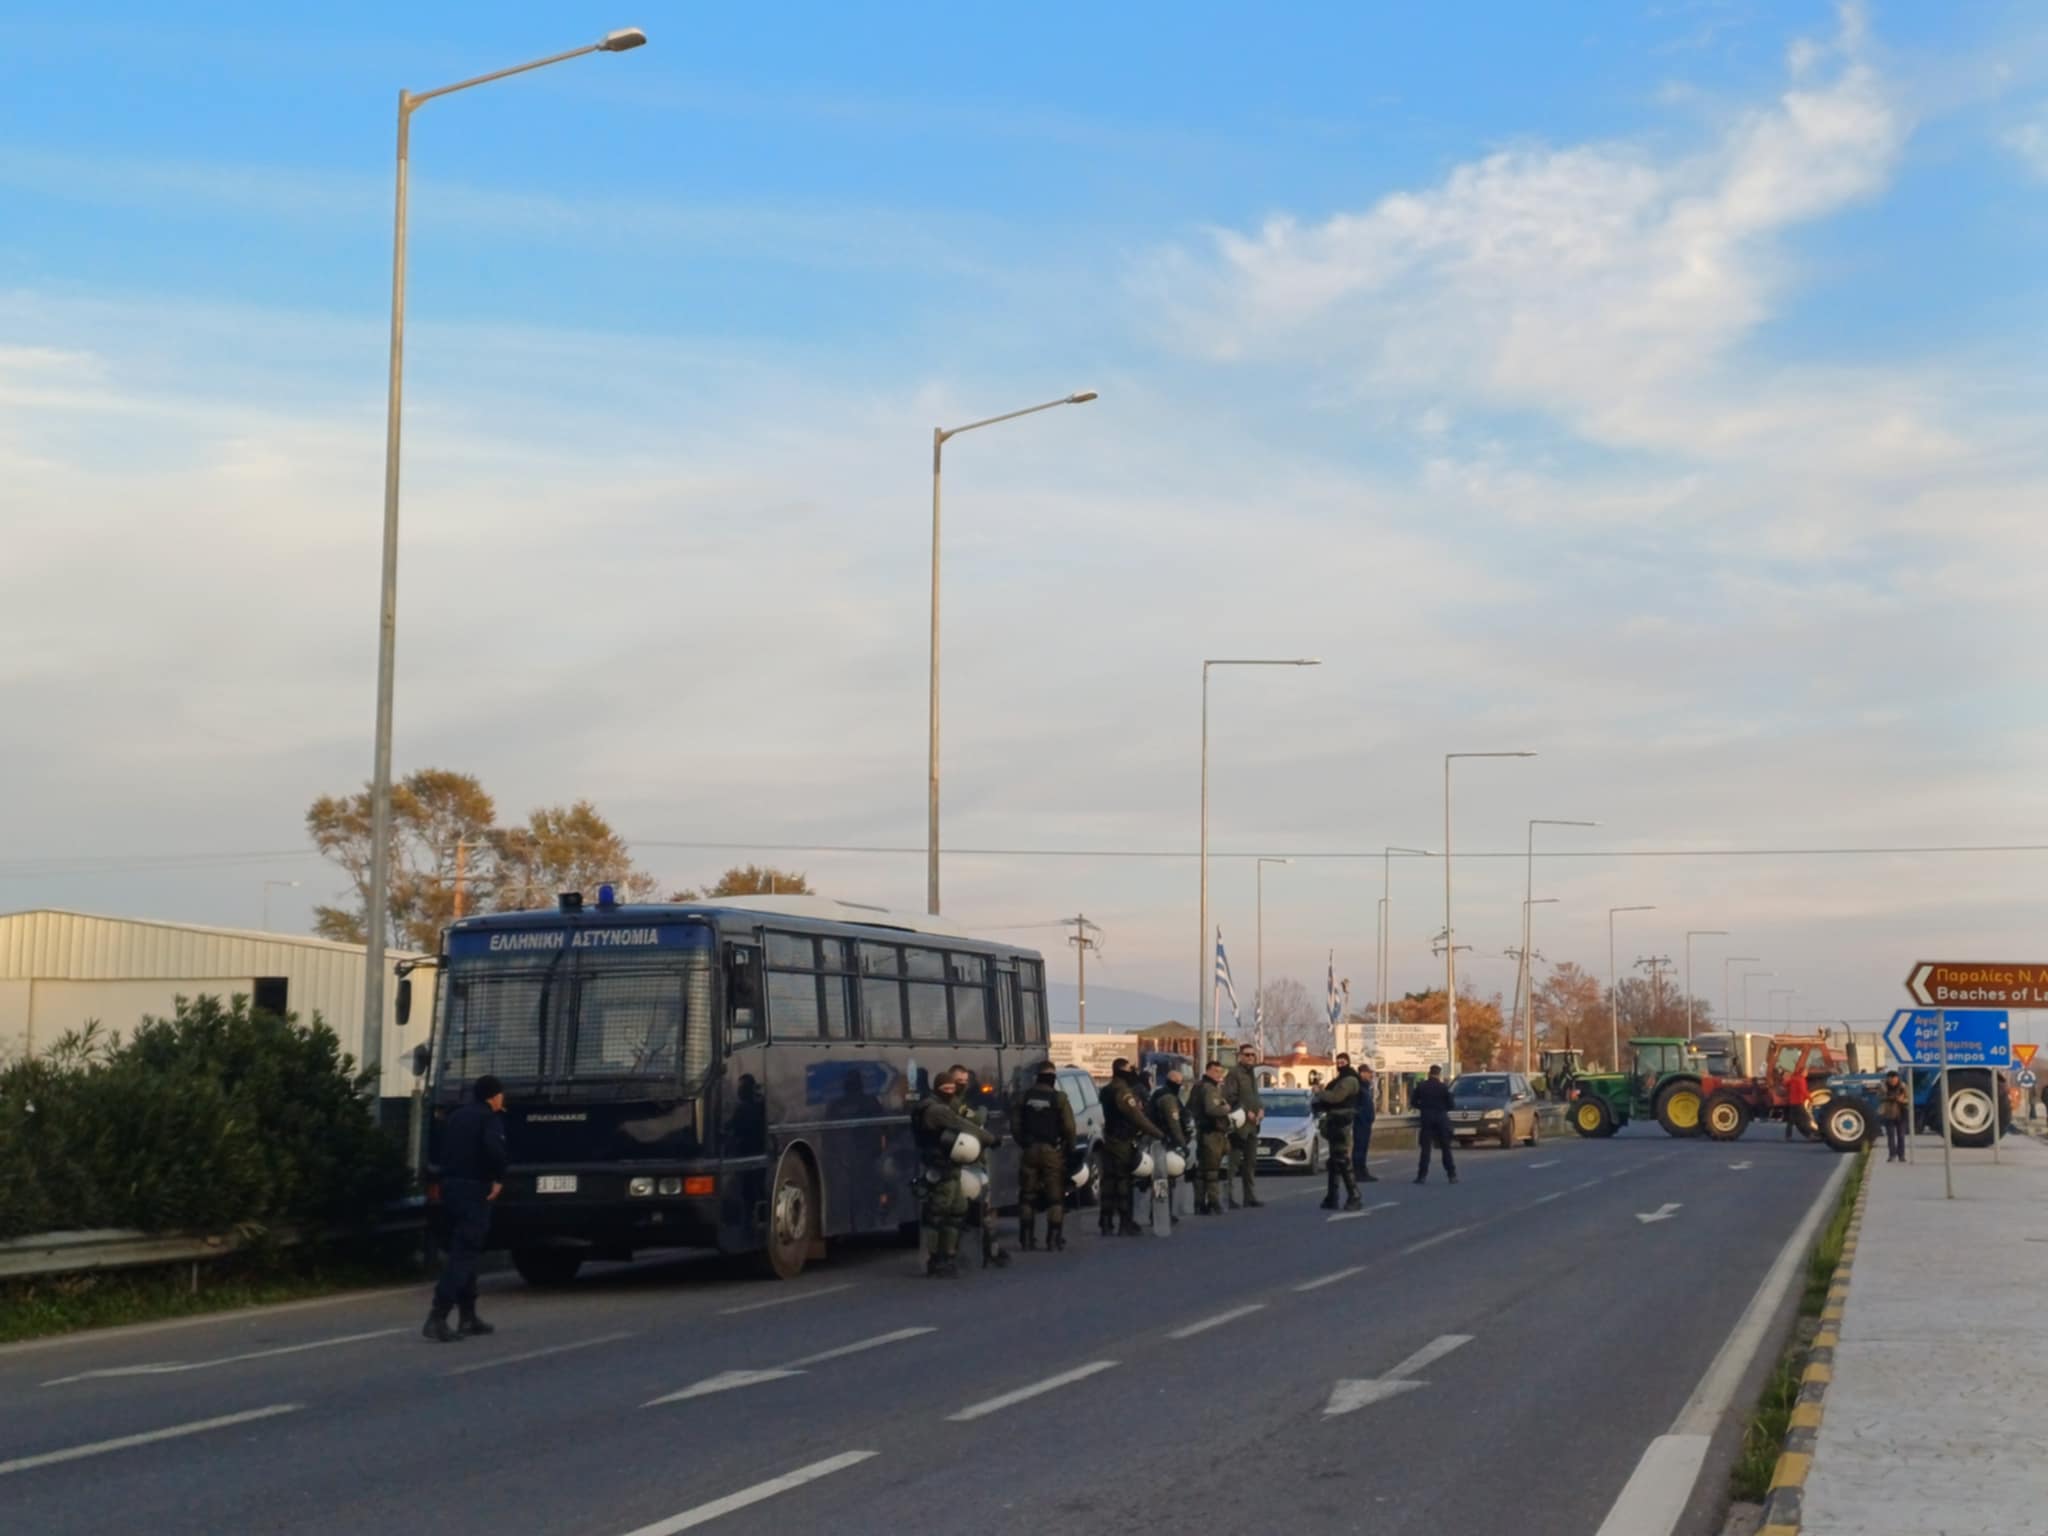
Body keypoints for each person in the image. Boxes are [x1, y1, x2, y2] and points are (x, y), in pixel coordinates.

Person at [425, 1074, 508, 1343]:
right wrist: (498, 1179)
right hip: (475, 1190)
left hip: (450, 1189)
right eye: (500, 1095)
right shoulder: (489, 1119)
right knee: (464, 1253)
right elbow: (494, 1151)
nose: (502, 1099)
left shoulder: (457, 1116)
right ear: (493, 1096)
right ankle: (438, 1316)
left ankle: (468, 1316)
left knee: (464, 1249)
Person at [912, 1065, 999, 1278]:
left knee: (957, 1209)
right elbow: (964, 1125)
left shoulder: (935, 1105)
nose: (952, 1091)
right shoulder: (937, 1110)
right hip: (940, 1167)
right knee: (938, 1214)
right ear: (939, 1088)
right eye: (948, 1088)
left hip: (949, 1167)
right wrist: (990, 1139)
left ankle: (948, 1256)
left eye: (954, 1087)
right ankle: (936, 1260)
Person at [1012, 1061, 1075, 1251]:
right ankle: (1053, 1239)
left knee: (1027, 1196)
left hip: (1029, 1151)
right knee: (1055, 1196)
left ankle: (1026, 1238)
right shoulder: (1059, 1098)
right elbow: (1070, 1127)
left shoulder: (1023, 1097)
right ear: (1053, 1077)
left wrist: (1024, 1143)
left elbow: (1015, 1125)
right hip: (1051, 1151)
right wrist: (1068, 1148)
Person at [1099, 1058, 1165, 1236]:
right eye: (1129, 1070)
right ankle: (1124, 1222)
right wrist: (1158, 1134)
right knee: (1122, 1182)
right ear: (1122, 1071)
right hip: (1122, 1141)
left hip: (1109, 1139)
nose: (1132, 1073)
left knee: (1108, 1182)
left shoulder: (1106, 1090)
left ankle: (1105, 1222)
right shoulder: (1123, 1092)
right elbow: (1137, 1118)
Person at [951, 1069, 1010, 1268]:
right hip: (957, 1165)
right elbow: (976, 1120)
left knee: (984, 1210)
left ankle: (990, 1251)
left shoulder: (967, 1099)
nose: (962, 1084)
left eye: (965, 1081)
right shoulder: (953, 1104)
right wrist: (982, 1114)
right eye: (958, 1081)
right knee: (959, 1212)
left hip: (975, 1163)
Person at [1314, 1054, 1364, 1211]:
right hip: (1334, 1120)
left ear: (1348, 1063)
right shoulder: (1340, 1080)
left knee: (1342, 1159)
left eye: (1343, 1062)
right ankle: (1332, 1197)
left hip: (1342, 1121)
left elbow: (1336, 1097)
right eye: (1338, 1062)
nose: (1340, 1065)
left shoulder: (1349, 1080)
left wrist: (1320, 1092)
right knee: (1334, 1161)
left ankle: (1354, 1195)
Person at [1222, 1044, 1267, 1208]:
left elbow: (1255, 1096)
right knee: (1233, 1163)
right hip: (1240, 1124)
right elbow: (1230, 1097)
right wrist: (1245, 1110)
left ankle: (1249, 1196)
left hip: (1253, 1125)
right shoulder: (1234, 1073)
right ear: (1240, 1056)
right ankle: (1228, 1197)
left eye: (1252, 1055)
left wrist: (1261, 1108)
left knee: (1250, 1162)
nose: (1250, 1058)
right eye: (1247, 1055)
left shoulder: (1252, 1073)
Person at [1188, 1060, 1236, 1214]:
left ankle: (1200, 1203)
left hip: (1206, 1131)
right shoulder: (1208, 1088)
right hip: (1211, 1132)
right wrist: (1226, 1109)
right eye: (1216, 1071)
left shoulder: (1200, 1086)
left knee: (1202, 1170)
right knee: (1211, 1170)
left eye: (1220, 1072)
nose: (1219, 1075)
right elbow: (1211, 1109)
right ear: (1208, 1071)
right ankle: (1214, 1202)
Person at [1151, 1067, 1193, 1223]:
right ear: (1175, 1082)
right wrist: (1182, 1145)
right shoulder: (1168, 1098)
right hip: (1163, 1143)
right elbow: (1174, 1124)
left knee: (1162, 1179)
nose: (1181, 1086)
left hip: (1159, 1141)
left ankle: (1160, 1212)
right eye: (1179, 1083)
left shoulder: (1159, 1093)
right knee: (1163, 1179)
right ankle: (1161, 1212)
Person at [1411, 1064, 1457, 1185]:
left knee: (1425, 1149)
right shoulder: (1443, 1087)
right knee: (1446, 1148)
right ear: (1439, 1074)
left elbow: (1413, 1102)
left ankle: (1422, 1176)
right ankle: (1451, 1174)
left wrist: (1423, 1108)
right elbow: (1451, 1105)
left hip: (1427, 1119)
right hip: (1441, 1120)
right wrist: (1442, 1109)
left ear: (1429, 1073)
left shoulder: (1422, 1086)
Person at [1351, 1061, 1380, 1184]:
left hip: (1366, 1122)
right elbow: (1356, 1105)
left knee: (1363, 1148)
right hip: (1361, 1122)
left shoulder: (1365, 1086)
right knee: (1359, 1148)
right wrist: (1361, 1116)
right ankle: (1359, 1172)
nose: (1370, 1075)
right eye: (1368, 1073)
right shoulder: (1358, 1087)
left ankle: (1363, 1171)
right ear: (1362, 1073)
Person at [1880, 1070, 1910, 1162]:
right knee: (1890, 1136)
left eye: (1894, 1078)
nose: (1893, 1081)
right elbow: (1880, 1097)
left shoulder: (1903, 1086)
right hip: (1889, 1114)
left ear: (1897, 1078)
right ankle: (1892, 1155)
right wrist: (1892, 1097)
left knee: (1901, 1136)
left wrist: (1902, 1100)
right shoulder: (1883, 1087)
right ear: (1888, 1079)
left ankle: (1901, 1155)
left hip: (1901, 1114)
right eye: (1891, 1079)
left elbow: (1909, 1098)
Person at [1785, 1068, 1812, 1141]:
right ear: (1803, 1072)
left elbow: (1786, 1084)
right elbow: (1803, 1090)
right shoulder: (1801, 1080)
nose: (1807, 1074)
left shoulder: (1793, 1079)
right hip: (1799, 1102)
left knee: (1791, 1120)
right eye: (1806, 1072)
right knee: (1806, 1118)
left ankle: (1788, 1136)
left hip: (1792, 1102)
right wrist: (1810, 1098)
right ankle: (1809, 1135)